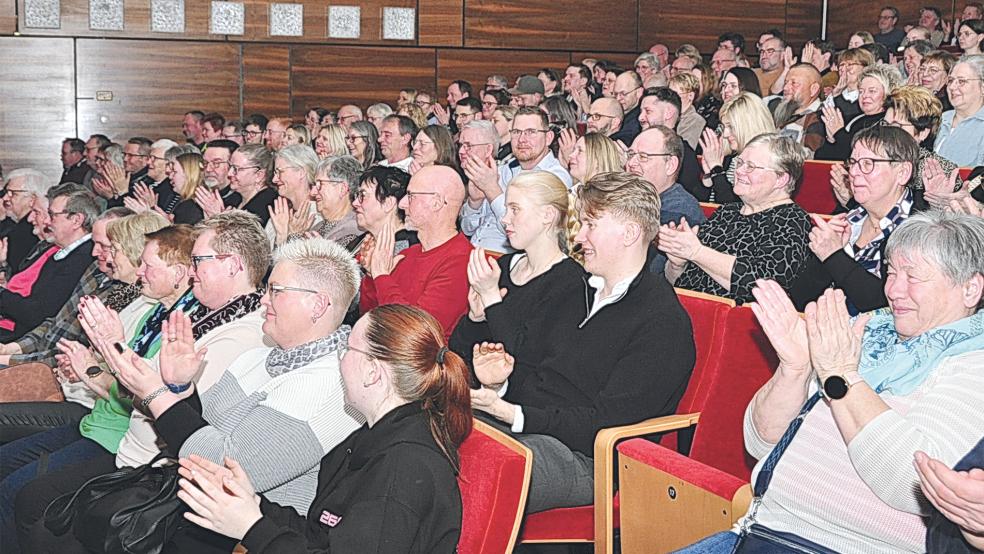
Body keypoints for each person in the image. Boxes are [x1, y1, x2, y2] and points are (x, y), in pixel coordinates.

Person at [677, 210, 984, 553]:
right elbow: (760, 443)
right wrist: (794, 369)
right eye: (892, 272)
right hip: (762, 531)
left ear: (970, 288)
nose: (893, 289)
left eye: (913, 277)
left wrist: (841, 377)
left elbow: (911, 484)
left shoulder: (973, 365)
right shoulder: (866, 329)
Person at [68, 236, 365, 553]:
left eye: (276, 291)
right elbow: (202, 426)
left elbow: (225, 471)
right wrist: (181, 388)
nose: (263, 301)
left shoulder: (329, 384)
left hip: (243, 540)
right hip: (195, 514)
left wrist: (156, 393)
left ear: (317, 304)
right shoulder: (263, 356)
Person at [470, 171, 695, 513]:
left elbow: (610, 422)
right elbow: (530, 364)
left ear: (630, 233)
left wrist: (516, 414)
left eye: (590, 225)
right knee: (423, 434)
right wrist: (500, 385)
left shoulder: (662, 321)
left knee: (475, 474)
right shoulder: (575, 290)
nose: (579, 238)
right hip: (531, 429)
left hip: (588, 459)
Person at [175, 304, 470, 553]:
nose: (340, 359)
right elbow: (320, 534)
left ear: (372, 372)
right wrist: (252, 504)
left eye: (348, 348)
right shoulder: (369, 436)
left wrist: (253, 527)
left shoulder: (403, 469)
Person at [1, 224, 199, 554]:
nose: (140, 271)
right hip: (98, 421)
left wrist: (94, 365)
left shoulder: (176, 325)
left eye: (148, 265)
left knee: (22, 495)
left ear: (179, 274)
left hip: (119, 438)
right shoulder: (153, 311)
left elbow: (135, 392)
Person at [450, 171, 585, 370]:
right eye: (506, 209)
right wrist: (475, 319)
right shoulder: (504, 266)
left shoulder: (570, 282)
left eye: (515, 209)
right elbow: (458, 350)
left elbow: (524, 358)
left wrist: (491, 298)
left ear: (548, 215)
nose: (504, 219)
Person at [663, 133, 812, 304]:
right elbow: (678, 283)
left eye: (750, 167)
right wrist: (677, 264)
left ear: (781, 179)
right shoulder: (727, 212)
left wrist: (697, 252)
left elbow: (763, 285)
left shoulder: (792, 221)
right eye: (740, 163)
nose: (739, 171)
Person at [790, 124, 923, 313]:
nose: (854, 172)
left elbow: (887, 307)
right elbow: (801, 299)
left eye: (868, 163)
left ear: (902, 172)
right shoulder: (850, 218)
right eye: (853, 162)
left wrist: (834, 256)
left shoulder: (920, 229)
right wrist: (822, 259)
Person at [0, 183, 99, 340]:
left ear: (76, 220)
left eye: (53, 215)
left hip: (33, 342)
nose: (48, 222)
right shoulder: (65, 252)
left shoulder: (84, 257)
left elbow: (38, 314)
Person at [697, 92, 778, 203]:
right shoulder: (729, 158)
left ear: (748, 124)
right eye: (724, 127)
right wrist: (708, 176)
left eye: (731, 127)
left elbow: (737, 210)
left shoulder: (767, 163)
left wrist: (716, 170)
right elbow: (706, 207)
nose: (725, 134)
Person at [818, 64, 902, 161]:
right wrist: (831, 140)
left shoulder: (889, 123)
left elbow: (863, 157)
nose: (864, 95)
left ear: (887, 94)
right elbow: (821, 157)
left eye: (872, 91)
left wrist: (838, 133)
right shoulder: (854, 119)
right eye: (861, 91)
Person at [267, 144, 323, 247]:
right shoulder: (280, 214)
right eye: (275, 173)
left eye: (280, 172)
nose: (274, 179)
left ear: (301, 172)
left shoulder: (319, 217)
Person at [934, 54, 984, 167]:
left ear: (982, 87)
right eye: (951, 80)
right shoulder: (941, 118)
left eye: (961, 81)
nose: (952, 87)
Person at [310, 156, 362, 246]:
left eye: (320, 184)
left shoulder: (354, 231)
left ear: (342, 189)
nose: (313, 192)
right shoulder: (318, 227)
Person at [224, 143, 278, 226]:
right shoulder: (233, 199)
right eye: (230, 167)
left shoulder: (267, 207)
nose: (229, 173)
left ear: (259, 175)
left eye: (236, 169)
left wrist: (219, 220)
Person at [669, 73, 707, 149]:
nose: (670, 98)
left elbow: (684, 149)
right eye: (669, 94)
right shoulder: (671, 116)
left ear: (690, 96)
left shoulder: (695, 121)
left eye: (675, 94)